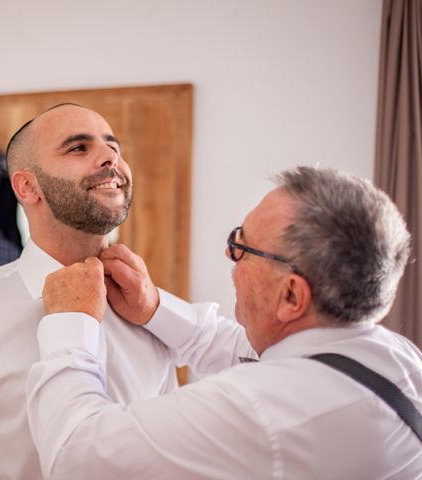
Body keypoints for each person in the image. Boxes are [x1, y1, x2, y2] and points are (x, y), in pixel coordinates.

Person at [0, 104, 241, 479]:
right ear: (27, 186)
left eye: (114, 147)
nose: (111, 157)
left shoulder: (149, 311)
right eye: (78, 148)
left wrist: (157, 309)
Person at [26, 166, 422, 479]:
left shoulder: (260, 413)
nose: (230, 259)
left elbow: (77, 457)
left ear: (291, 296)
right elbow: (241, 350)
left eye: (242, 247)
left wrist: (71, 324)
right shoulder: (396, 358)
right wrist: (154, 309)